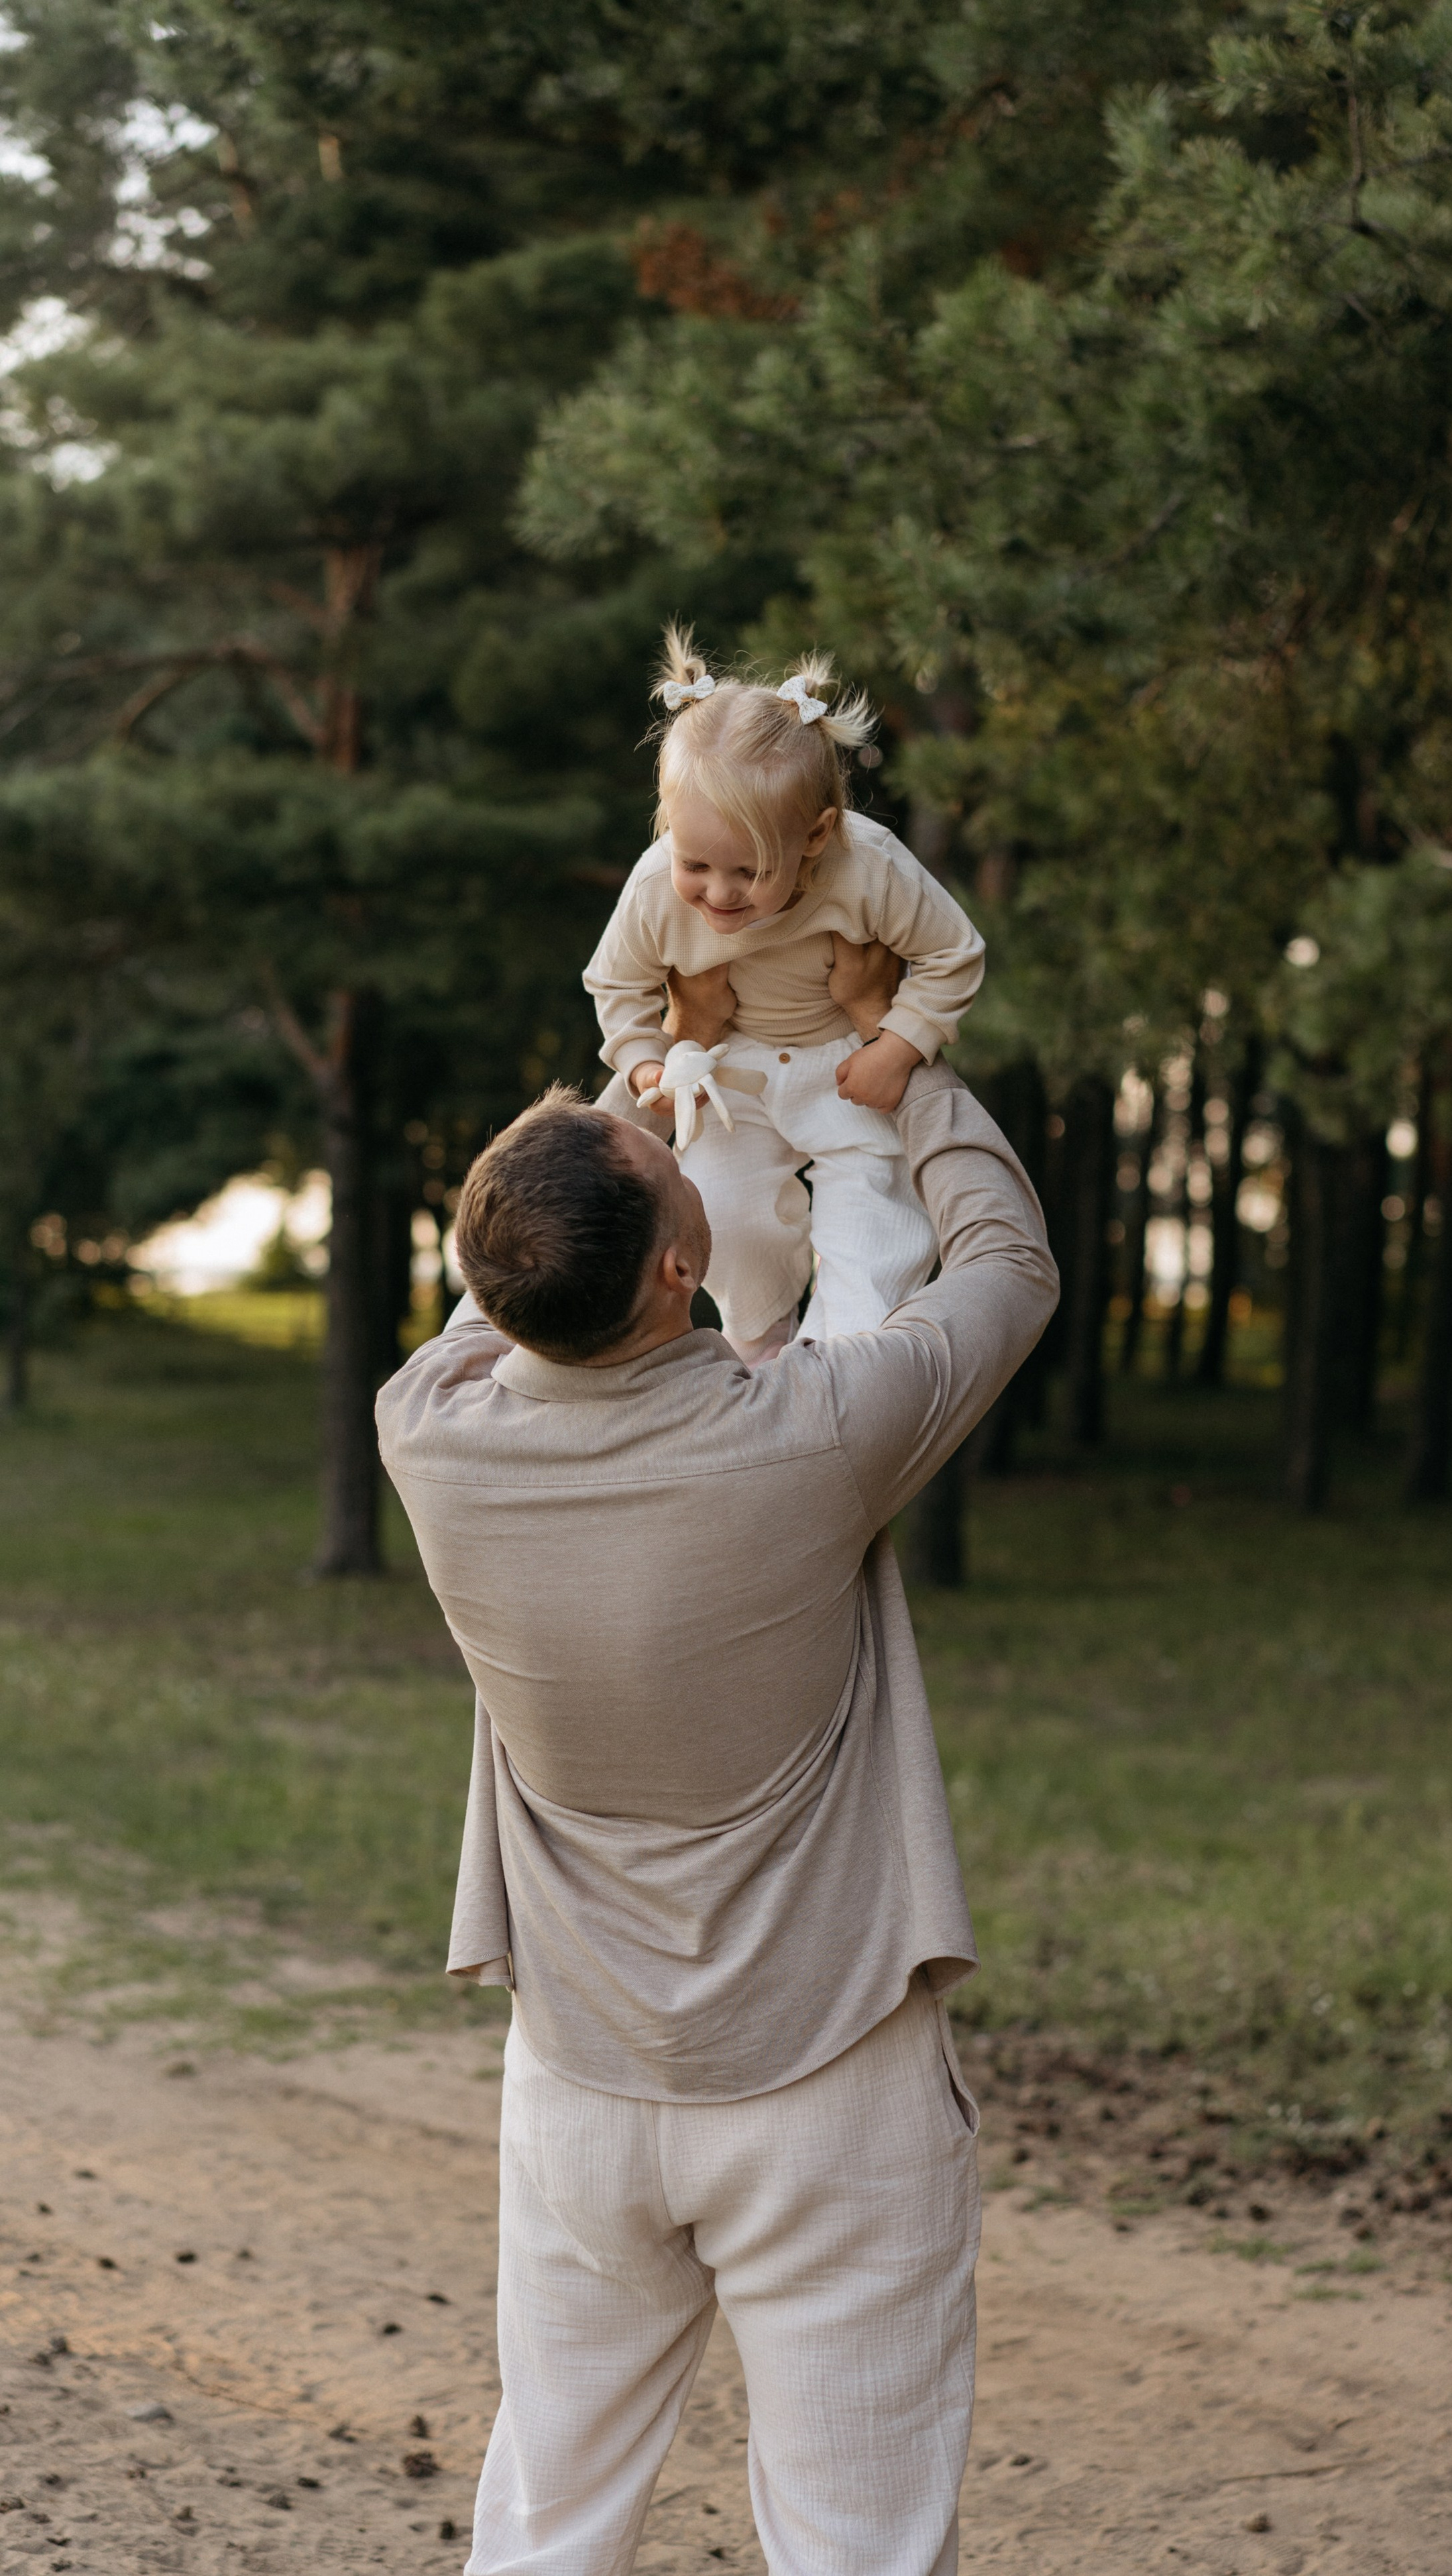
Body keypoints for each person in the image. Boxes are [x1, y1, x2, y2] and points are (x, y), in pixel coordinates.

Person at [374, 943, 1056, 2576]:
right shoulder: (813, 1431)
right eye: (662, 1146)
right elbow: (1007, 1265)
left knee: (546, 2522)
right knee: (855, 2545)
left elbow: (512, 1274)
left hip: (580, 2084)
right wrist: (899, 1058)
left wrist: (635, 1076)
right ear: (680, 1269)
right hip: (827, 2077)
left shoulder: (430, 1432)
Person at [582, 627, 987, 1361]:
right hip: (726, 1070)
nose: (719, 893)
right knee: (719, 1214)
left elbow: (952, 953)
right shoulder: (654, 888)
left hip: (847, 1064)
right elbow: (616, 981)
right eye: (696, 864)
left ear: (816, 835)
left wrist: (898, 1047)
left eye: (750, 871)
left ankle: (843, 1358)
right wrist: (644, 1063)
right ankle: (761, 1337)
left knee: (875, 1220)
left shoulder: (868, 868)